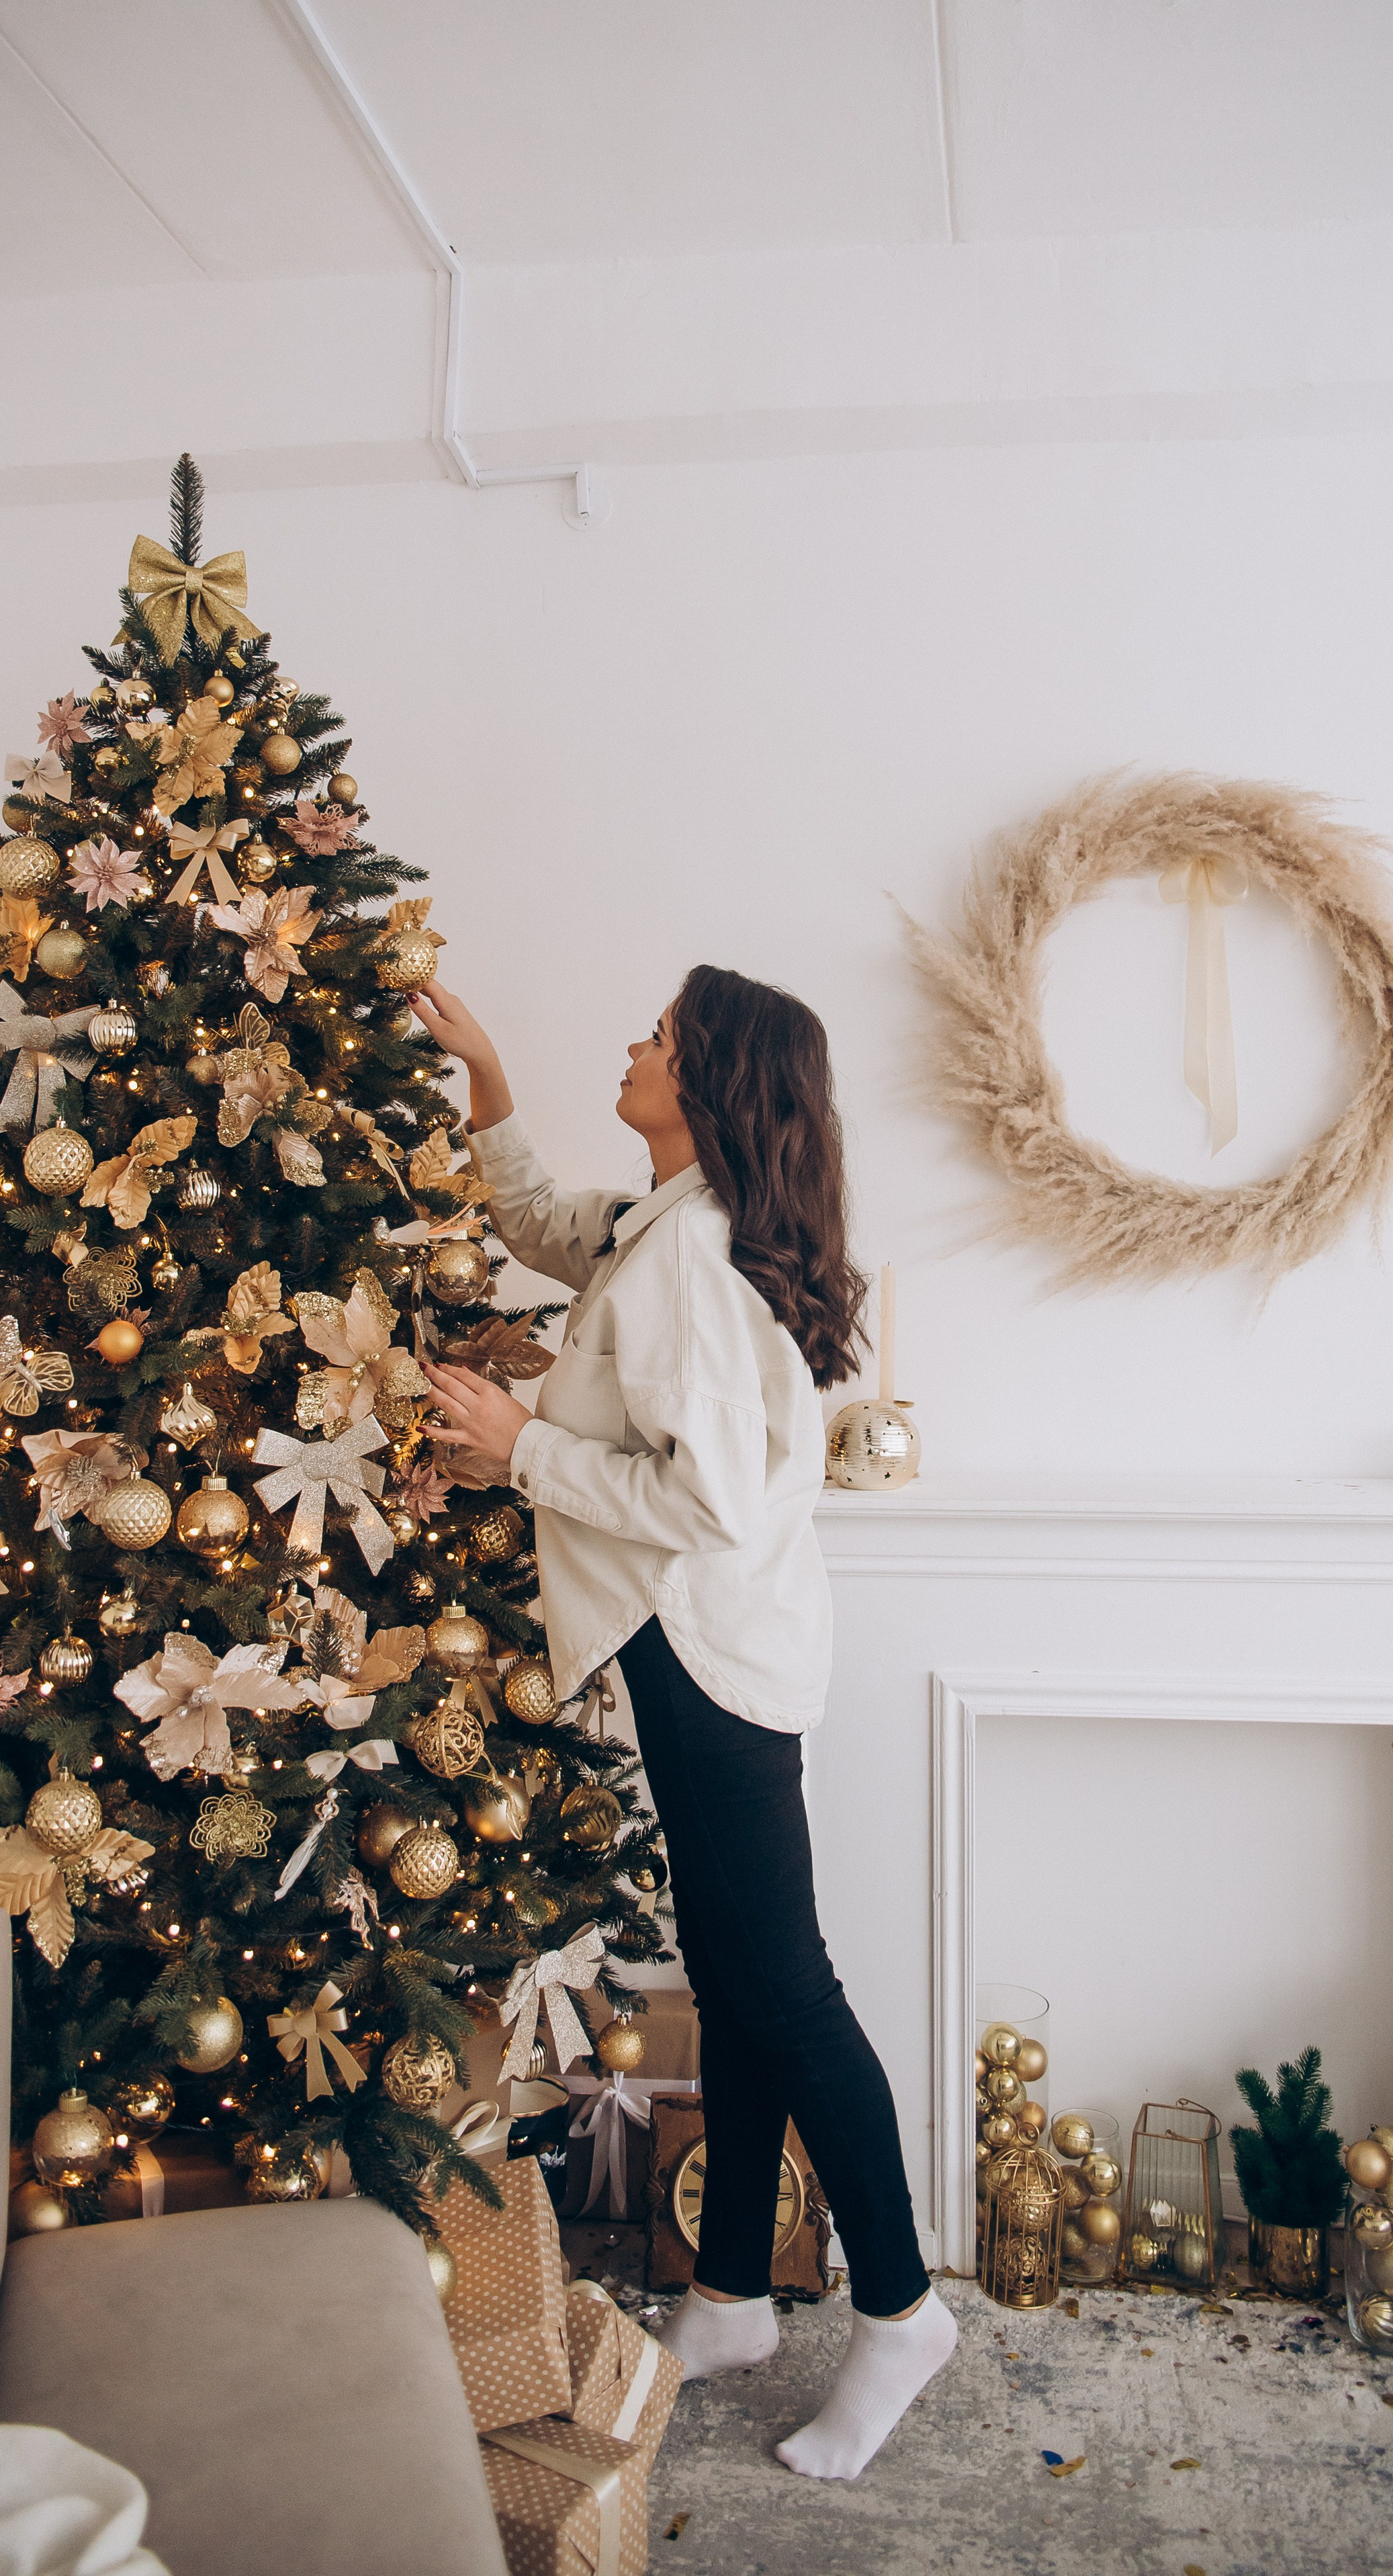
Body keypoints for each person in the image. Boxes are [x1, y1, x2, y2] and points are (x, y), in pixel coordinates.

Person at [410, 965, 956, 2483]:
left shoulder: (689, 1265)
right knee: (732, 1966)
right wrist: (490, 1080)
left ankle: (901, 2312)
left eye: (658, 1034)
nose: (636, 1042)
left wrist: (518, 1449)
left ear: (704, 1082)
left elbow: (704, 1504)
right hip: (697, 1649)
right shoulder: (655, 1224)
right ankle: (728, 2297)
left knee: (781, 1983)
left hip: (714, 1653)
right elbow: (540, 1227)